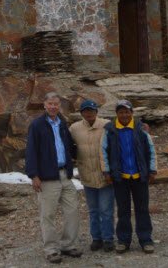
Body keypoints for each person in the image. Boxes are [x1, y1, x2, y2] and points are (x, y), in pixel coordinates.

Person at [25, 92, 82, 264]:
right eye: (50, 103)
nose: (53, 107)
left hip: (65, 175)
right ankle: (51, 249)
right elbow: (31, 151)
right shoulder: (37, 125)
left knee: (72, 211)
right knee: (47, 215)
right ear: (44, 105)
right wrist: (33, 175)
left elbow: (70, 146)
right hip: (47, 177)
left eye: (56, 104)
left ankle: (68, 244)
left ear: (59, 106)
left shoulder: (62, 123)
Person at [101, 99, 157, 254]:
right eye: (121, 112)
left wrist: (152, 170)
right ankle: (124, 240)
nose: (124, 114)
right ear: (116, 114)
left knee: (142, 209)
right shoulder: (110, 130)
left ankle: (145, 239)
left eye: (126, 111)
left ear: (132, 113)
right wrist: (106, 172)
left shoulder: (140, 129)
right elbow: (103, 151)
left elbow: (151, 150)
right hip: (120, 178)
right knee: (123, 210)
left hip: (139, 177)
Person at [69, 99, 114, 253]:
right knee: (93, 210)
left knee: (106, 210)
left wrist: (142, 127)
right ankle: (96, 238)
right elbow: (66, 144)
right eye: (85, 111)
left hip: (105, 175)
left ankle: (108, 239)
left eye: (91, 110)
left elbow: (123, 128)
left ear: (96, 111)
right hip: (87, 174)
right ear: (81, 113)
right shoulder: (74, 128)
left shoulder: (106, 124)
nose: (89, 113)